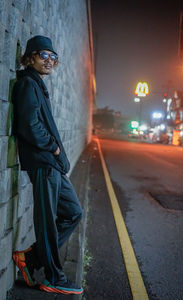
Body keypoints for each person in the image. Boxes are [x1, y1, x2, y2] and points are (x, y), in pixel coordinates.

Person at [11, 35, 83, 295]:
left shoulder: (37, 84)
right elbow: (29, 125)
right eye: (44, 55)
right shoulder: (28, 84)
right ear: (30, 57)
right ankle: (53, 276)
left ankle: (30, 260)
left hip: (52, 165)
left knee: (74, 212)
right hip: (43, 163)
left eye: (54, 56)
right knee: (47, 224)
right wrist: (53, 147)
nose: (50, 60)